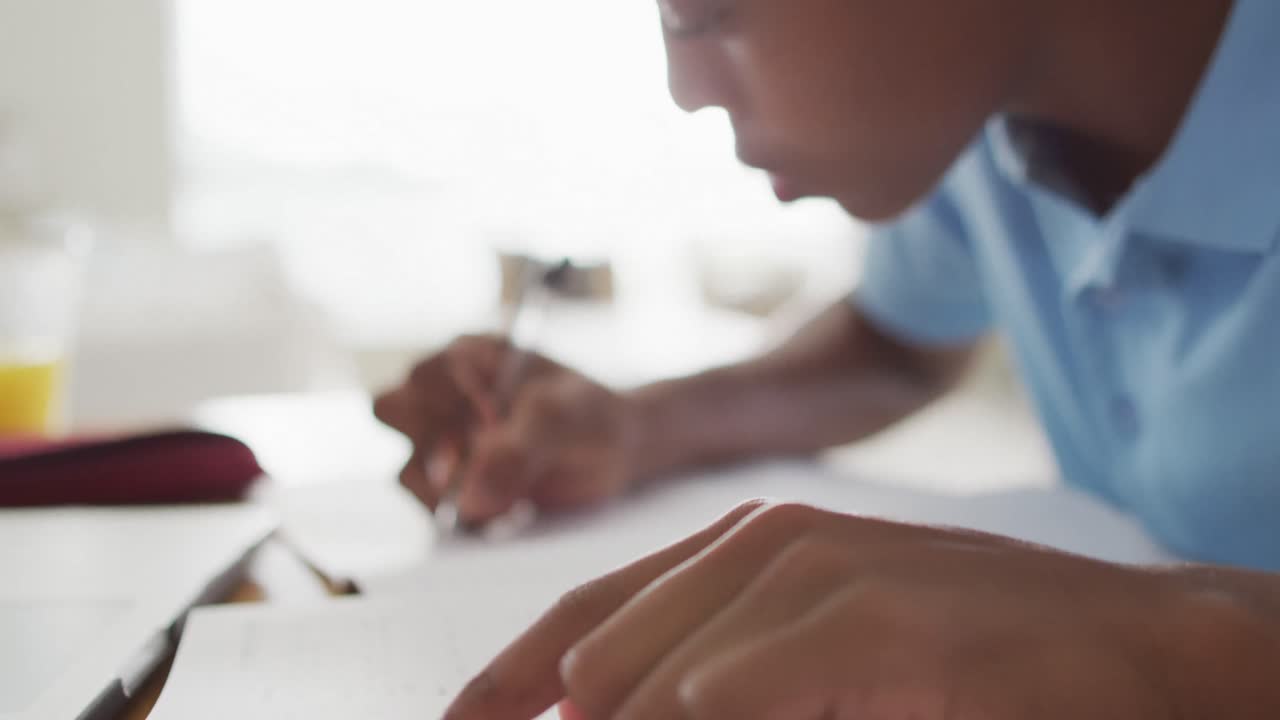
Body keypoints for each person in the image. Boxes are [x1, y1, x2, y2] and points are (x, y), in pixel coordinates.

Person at [373, 0, 1280, 716]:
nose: (683, 86)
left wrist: (1174, 649)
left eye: (706, 9)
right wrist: (639, 425)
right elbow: (894, 344)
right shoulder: (984, 113)